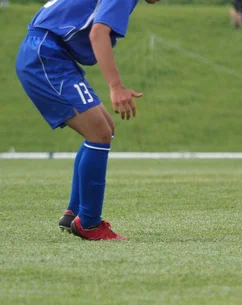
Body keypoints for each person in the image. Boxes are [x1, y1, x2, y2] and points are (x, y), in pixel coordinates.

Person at [15, 0, 160, 240]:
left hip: (49, 50)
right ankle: (90, 224)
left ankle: (74, 213)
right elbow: (98, 32)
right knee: (99, 133)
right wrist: (116, 86)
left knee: (105, 128)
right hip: (46, 54)